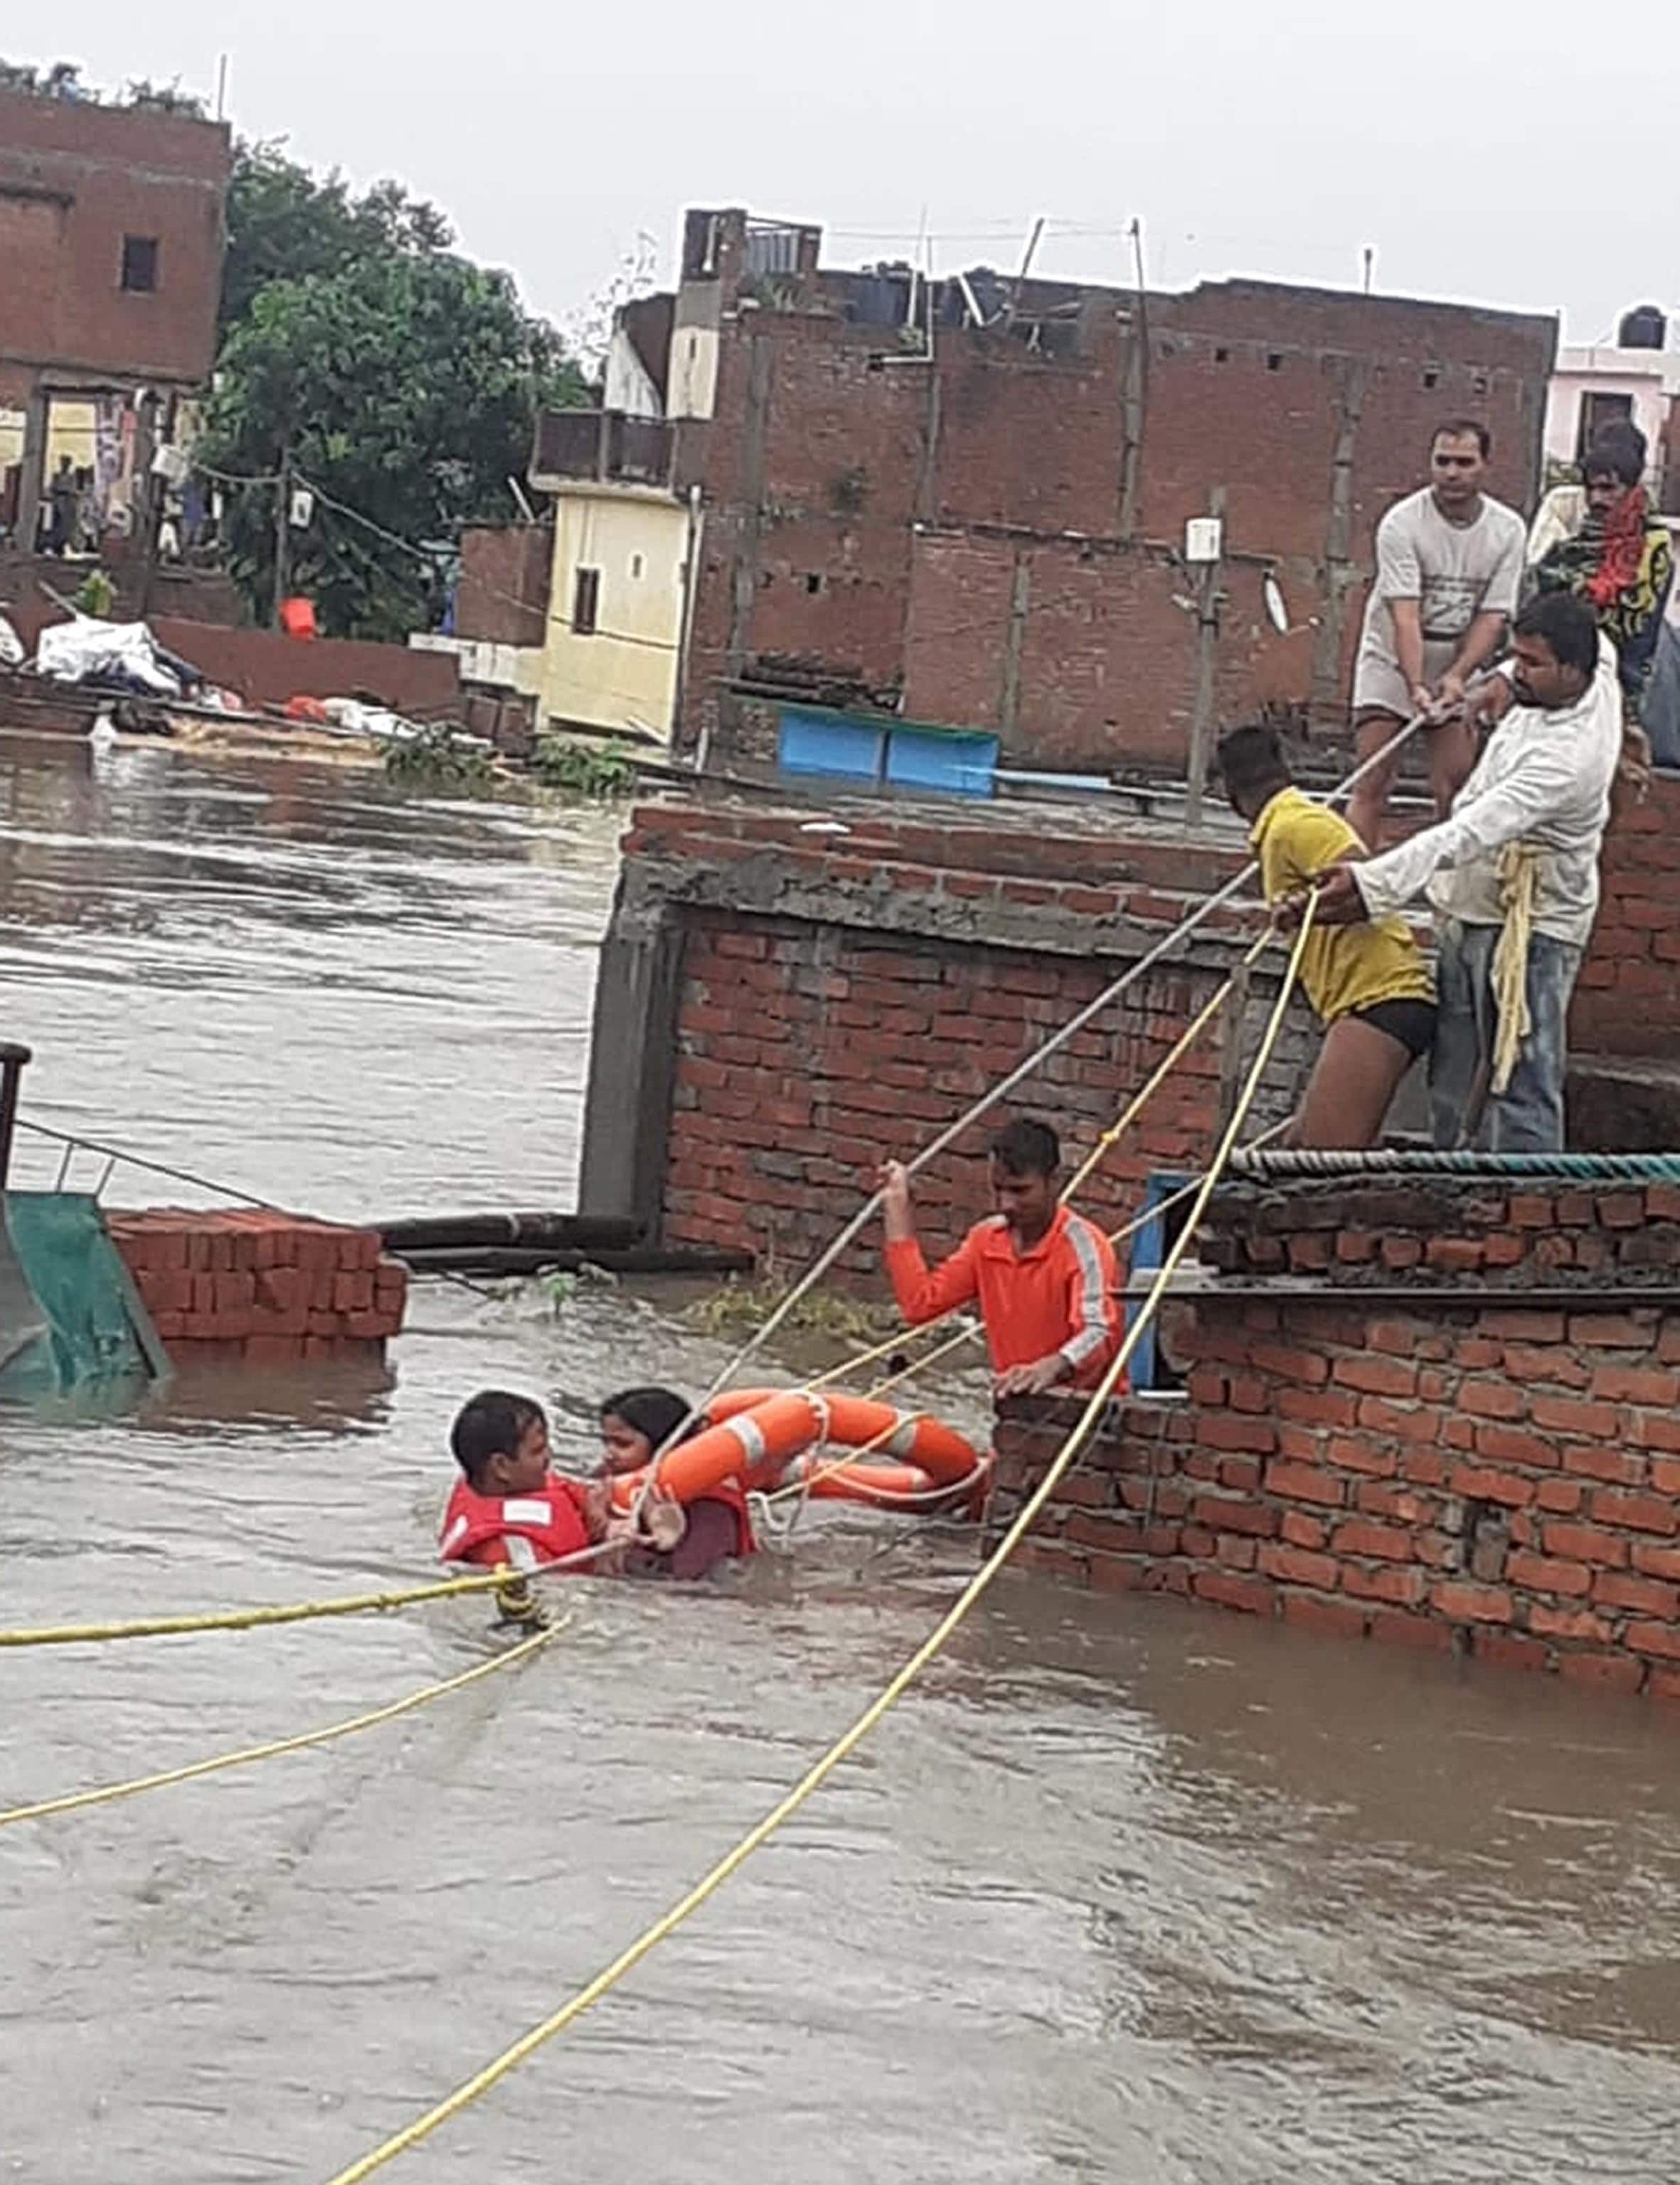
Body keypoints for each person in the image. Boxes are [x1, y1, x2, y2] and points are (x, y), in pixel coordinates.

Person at [1308, 592, 1619, 1154]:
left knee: (1522, 1077)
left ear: (1573, 670)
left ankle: (1527, 1206)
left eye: (1531, 664)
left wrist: (1372, 882)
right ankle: (1448, 1192)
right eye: (1515, 657)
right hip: (1471, 905)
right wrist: (1491, 682)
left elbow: (1468, 831)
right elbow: (1539, 665)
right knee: (1454, 1067)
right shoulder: (1597, 661)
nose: (1518, 670)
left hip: (1535, 925)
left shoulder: (1567, 761)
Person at [1218, 721, 1435, 1147]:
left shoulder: (1293, 825)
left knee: (1319, 1160)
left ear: (1229, 794)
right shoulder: (1286, 825)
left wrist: (1306, 911)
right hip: (1362, 1003)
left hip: (1380, 999)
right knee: (1293, 1149)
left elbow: (1360, 874)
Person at [1346, 420, 1527, 851]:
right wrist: (1413, 686)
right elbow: (1404, 616)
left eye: (1464, 462)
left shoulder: (1508, 530)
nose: (1451, 473)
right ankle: (1350, 878)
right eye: (1442, 461)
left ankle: (1451, 893)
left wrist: (1458, 675)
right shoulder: (1401, 523)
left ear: (1485, 466)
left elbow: (1493, 615)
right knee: (1373, 773)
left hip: (1459, 654)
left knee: (1459, 784)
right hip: (1393, 654)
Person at [878, 1117, 1122, 1398]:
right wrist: (897, 1206)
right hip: (1015, 1404)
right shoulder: (986, 1240)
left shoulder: (1085, 1246)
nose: (1006, 1204)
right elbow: (920, 1305)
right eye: (999, 1189)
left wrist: (1054, 1365)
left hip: (1086, 1408)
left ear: (1055, 1182)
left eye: (1020, 1190)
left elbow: (1099, 1332)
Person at [438, 1388, 685, 1579]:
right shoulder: (508, 1553)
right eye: (537, 1451)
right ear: (501, 1466)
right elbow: (552, 1599)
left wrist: (607, 1522)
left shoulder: (513, 1485)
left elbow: (582, 1492)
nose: (549, 1458)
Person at [1533, 423, 1674, 723]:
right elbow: (1540, 597)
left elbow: (1636, 627)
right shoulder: (1568, 547)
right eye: (1591, 489)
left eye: (1608, 489)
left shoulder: (1653, 549)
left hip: (1621, 687)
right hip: (1557, 685)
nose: (1597, 499)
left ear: (1632, 491)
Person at [599, 1386, 756, 1578]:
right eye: (605, 1442)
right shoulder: (608, 1479)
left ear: (666, 1445)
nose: (608, 1454)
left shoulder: (712, 1507)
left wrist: (666, 1541)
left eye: (622, 1444)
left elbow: (687, 1587)